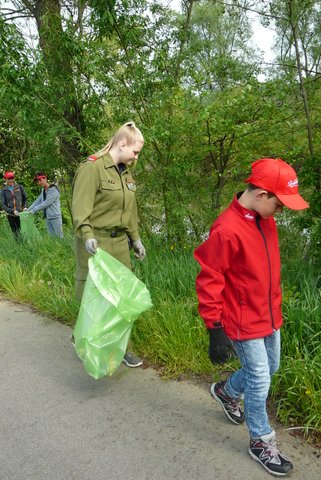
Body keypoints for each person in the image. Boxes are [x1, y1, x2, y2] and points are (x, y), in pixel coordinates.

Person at [194, 158, 309, 477]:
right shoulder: (227, 229)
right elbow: (209, 277)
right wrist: (214, 327)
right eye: (279, 202)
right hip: (242, 319)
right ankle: (260, 440)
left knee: (271, 368)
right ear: (260, 194)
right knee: (260, 377)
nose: (281, 210)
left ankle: (227, 392)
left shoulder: (264, 218)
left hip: (269, 313)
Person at [71, 121, 146, 368]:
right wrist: (86, 233)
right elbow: (80, 208)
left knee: (122, 298)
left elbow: (129, 210)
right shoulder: (91, 168)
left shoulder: (125, 172)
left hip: (119, 243)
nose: (136, 157)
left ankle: (121, 347)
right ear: (122, 143)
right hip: (95, 241)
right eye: (135, 151)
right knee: (94, 295)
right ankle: (83, 339)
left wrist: (135, 239)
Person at [27, 172, 63, 238]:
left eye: (40, 180)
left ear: (45, 178)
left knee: (59, 237)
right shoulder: (43, 190)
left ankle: (64, 248)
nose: (39, 183)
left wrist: (34, 210)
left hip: (55, 216)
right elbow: (37, 201)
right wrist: (28, 210)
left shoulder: (53, 189)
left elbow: (46, 203)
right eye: (37, 182)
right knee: (52, 238)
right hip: (48, 217)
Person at [0, 171, 27, 237]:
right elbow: (3, 205)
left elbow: (25, 198)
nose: (11, 180)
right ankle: (19, 246)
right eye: (8, 178)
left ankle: (26, 246)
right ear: (5, 179)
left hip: (21, 214)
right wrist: (12, 211)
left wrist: (24, 207)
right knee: (16, 234)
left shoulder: (20, 187)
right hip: (11, 215)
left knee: (24, 233)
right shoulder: (3, 191)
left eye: (12, 178)